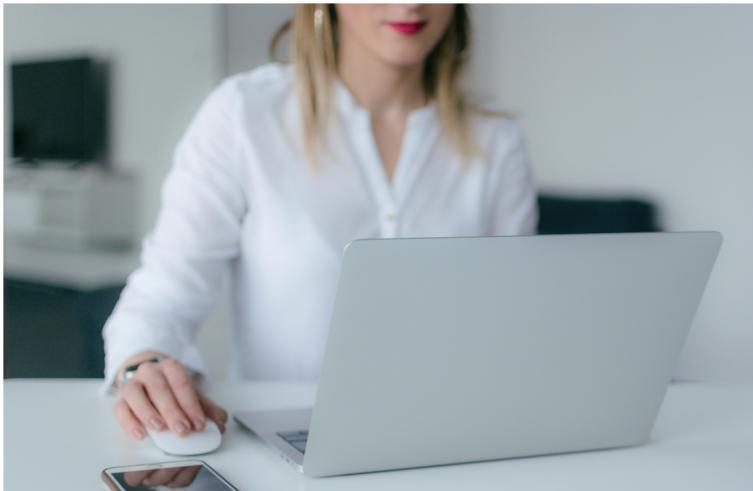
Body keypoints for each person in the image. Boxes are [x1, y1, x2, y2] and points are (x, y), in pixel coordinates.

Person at [103, 4, 538, 441]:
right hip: (284, 444)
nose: (411, 4)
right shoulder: (245, 115)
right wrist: (144, 366)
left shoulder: (496, 142)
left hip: (450, 440)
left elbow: (513, 324)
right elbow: (161, 300)